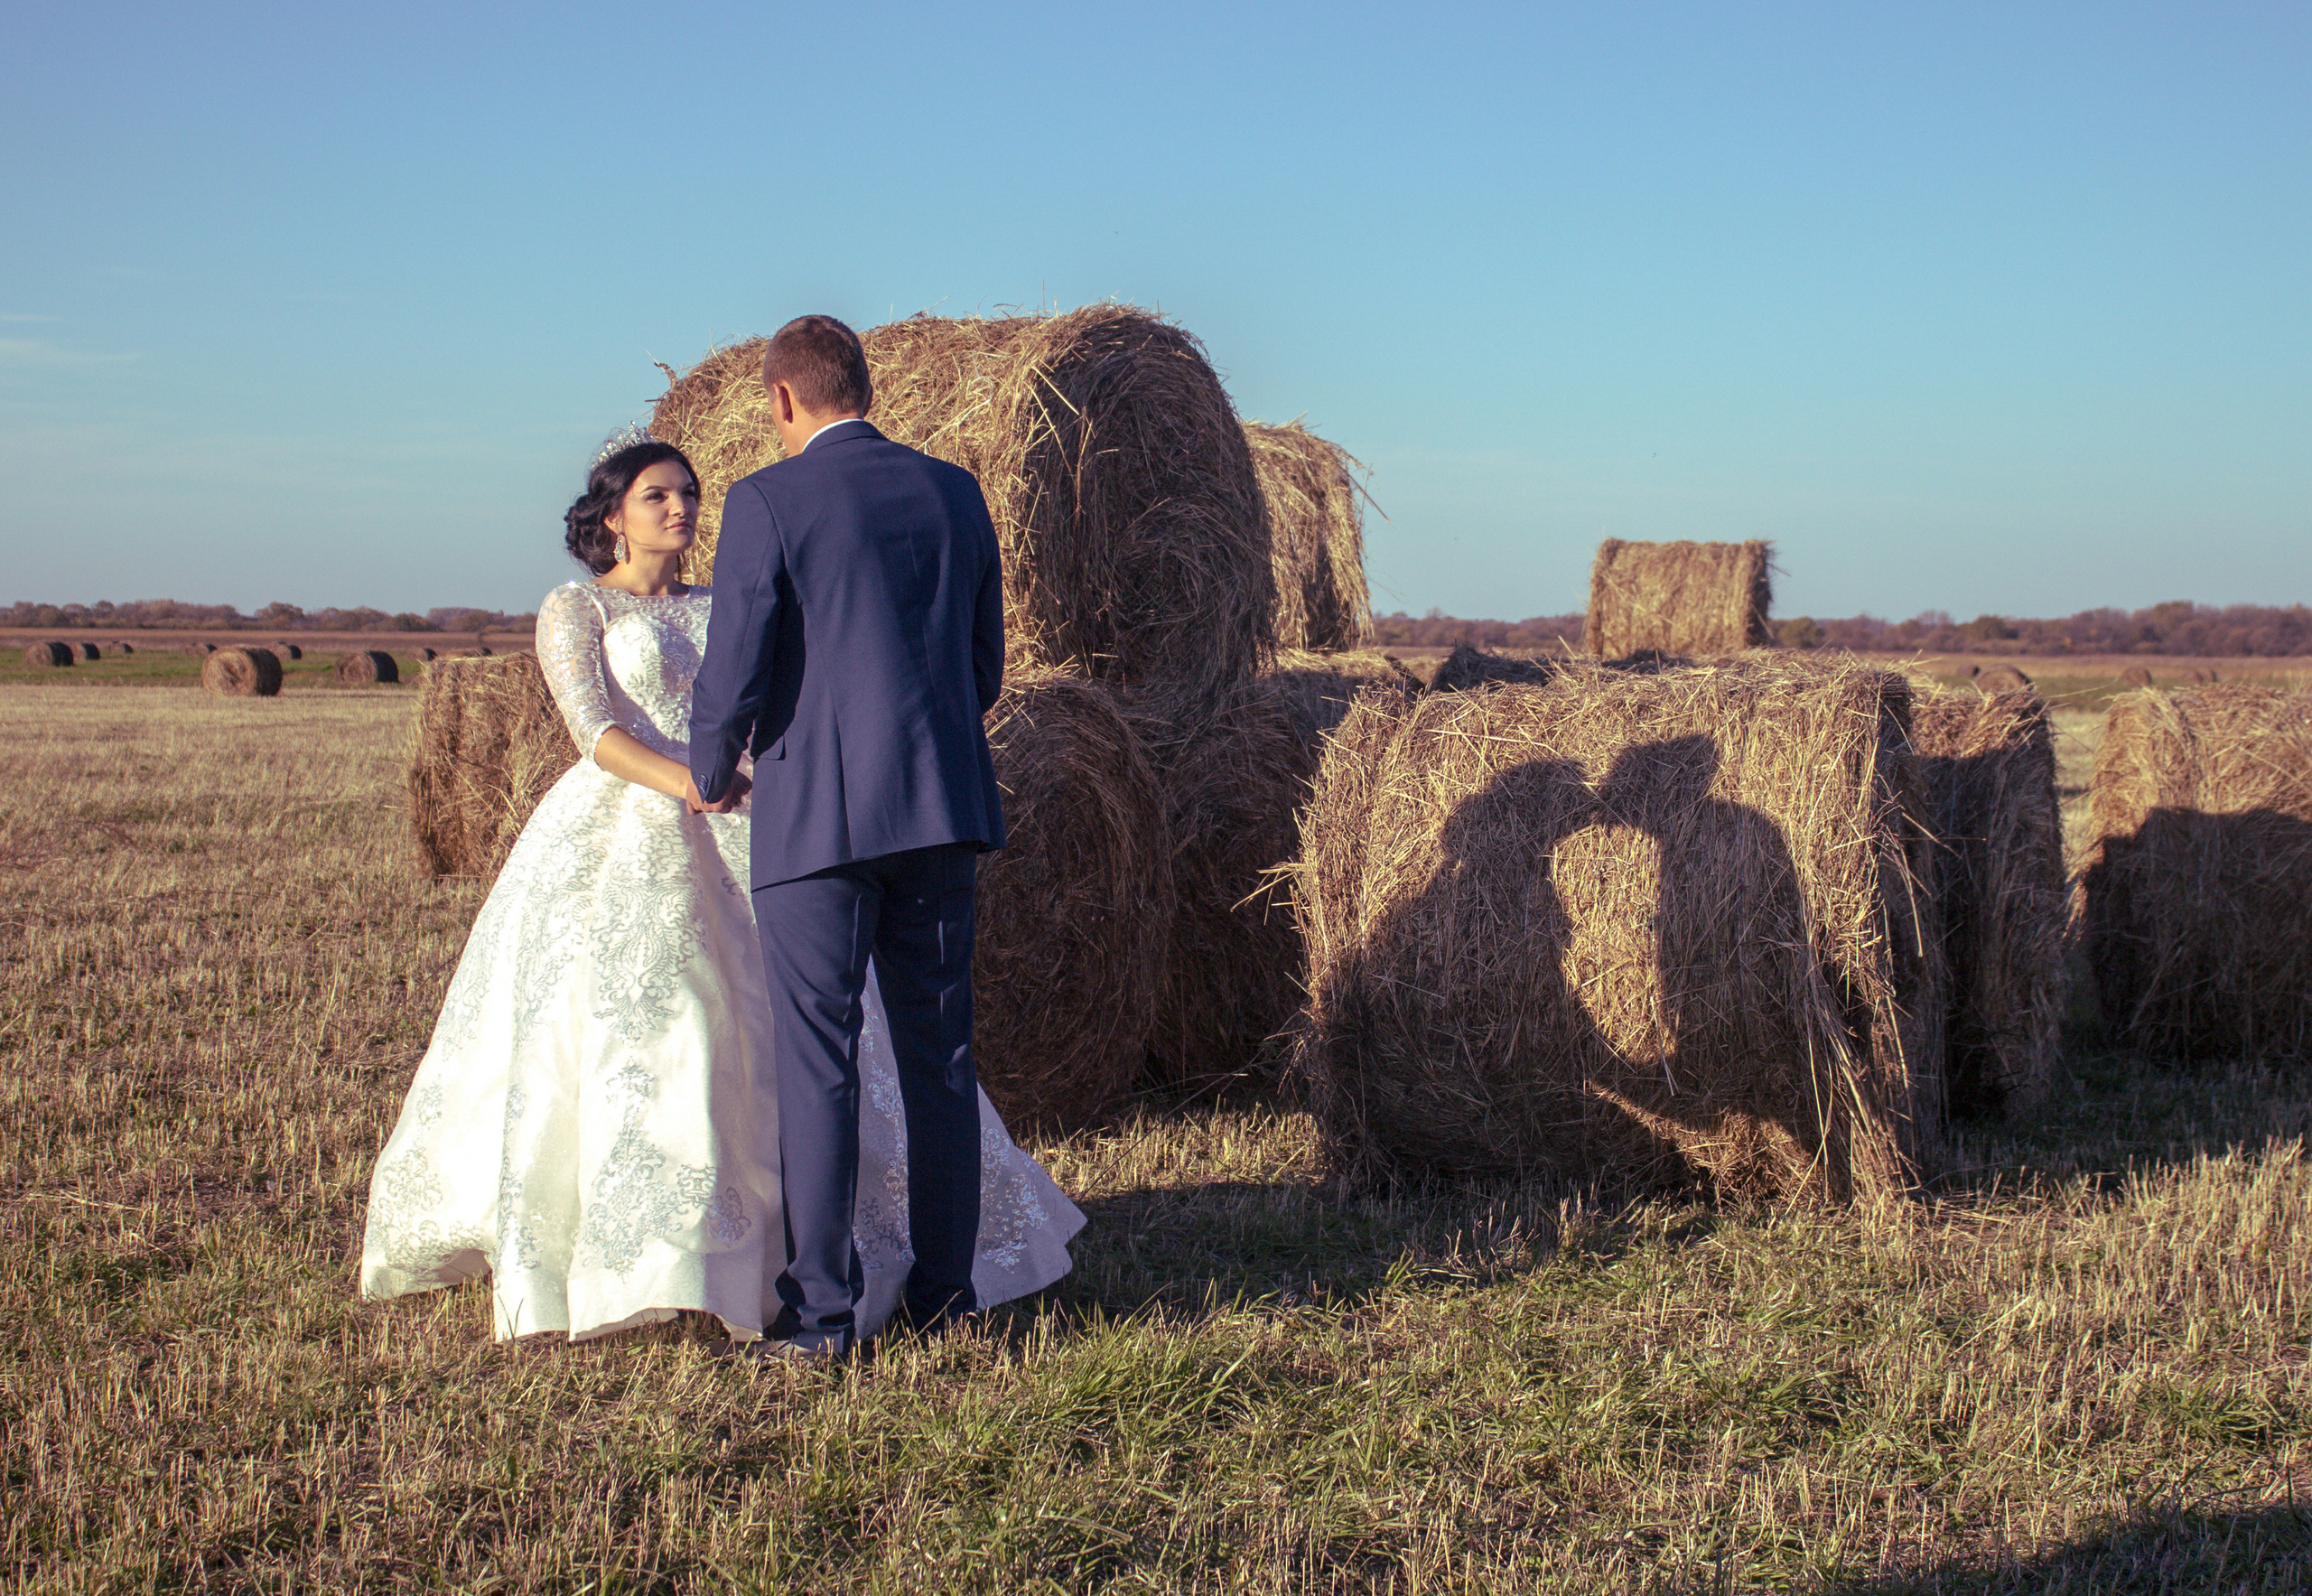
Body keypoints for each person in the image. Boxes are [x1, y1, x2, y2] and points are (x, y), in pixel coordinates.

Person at [359, 432, 1081, 1345]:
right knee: (661, 1035)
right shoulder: (576, 607)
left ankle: (819, 1248)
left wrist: (745, 783)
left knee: (810, 1039)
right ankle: (668, 1252)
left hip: (753, 815)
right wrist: (693, 783)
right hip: (638, 817)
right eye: (658, 496)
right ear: (612, 517)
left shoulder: (718, 600)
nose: (682, 509)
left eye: (689, 493)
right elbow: (592, 730)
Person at [687, 314, 1008, 1362]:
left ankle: (823, 1315)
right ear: (865, 387)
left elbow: (736, 663)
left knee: (818, 1060)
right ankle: (946, 1296)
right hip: (941, 811)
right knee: (939, 1057)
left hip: (817, 821)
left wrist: (709, 769)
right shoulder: (956, 492)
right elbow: (983, 667)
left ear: (783, 398)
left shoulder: (769, 499)